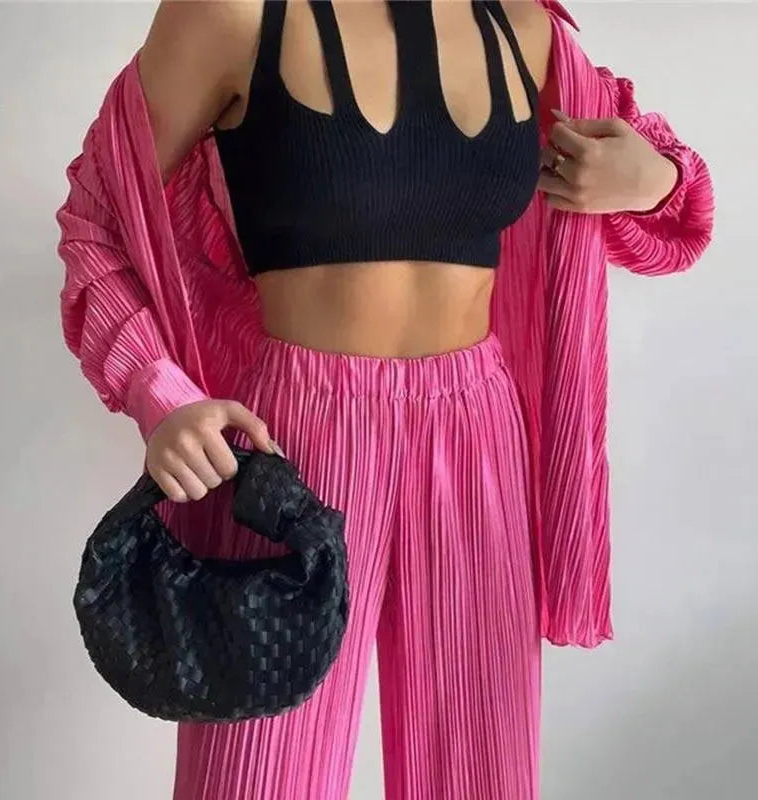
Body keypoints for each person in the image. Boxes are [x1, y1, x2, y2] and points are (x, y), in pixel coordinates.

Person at [54, 1, 714, 798]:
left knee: (479, 777)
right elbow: (97, 216)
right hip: (296, 434)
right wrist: (158, 389)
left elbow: (674, 210)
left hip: (478, 429)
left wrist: (654, 180)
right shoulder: (233, 13)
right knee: (258, 776)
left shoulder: (525, 29)